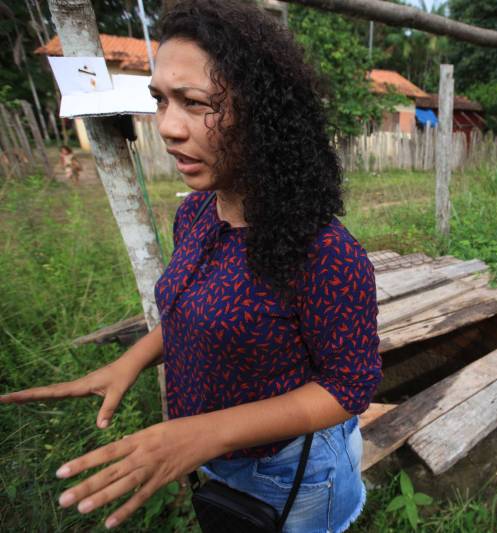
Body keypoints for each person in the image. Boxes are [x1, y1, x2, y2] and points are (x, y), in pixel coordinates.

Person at [0, 1, 382, 531]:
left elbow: (349, 387)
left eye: (196, 102)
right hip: (216, 457)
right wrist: (132, 360)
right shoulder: (196, 213)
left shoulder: (323, 252)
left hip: (290, 470)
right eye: (160, 100)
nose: (168, 128)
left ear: (262, 111)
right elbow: (192, 309)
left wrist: (206, 432)